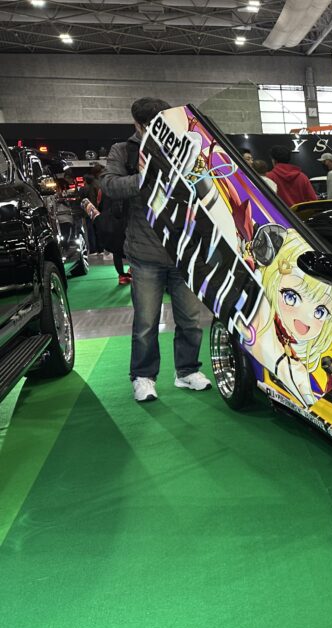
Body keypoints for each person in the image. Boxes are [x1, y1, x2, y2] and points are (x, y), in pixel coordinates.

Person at [100, 96, 211, 403]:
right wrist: (147, 176)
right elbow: (109, 185)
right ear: (136, 124)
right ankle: (143, 376)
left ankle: (187, 370)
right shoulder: (123, 150)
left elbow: (207, 186)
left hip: (184, 250)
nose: (154, 129)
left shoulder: (184, 145)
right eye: (148, 124)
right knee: (146, 322)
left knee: (191, 319)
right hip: (144, 252)